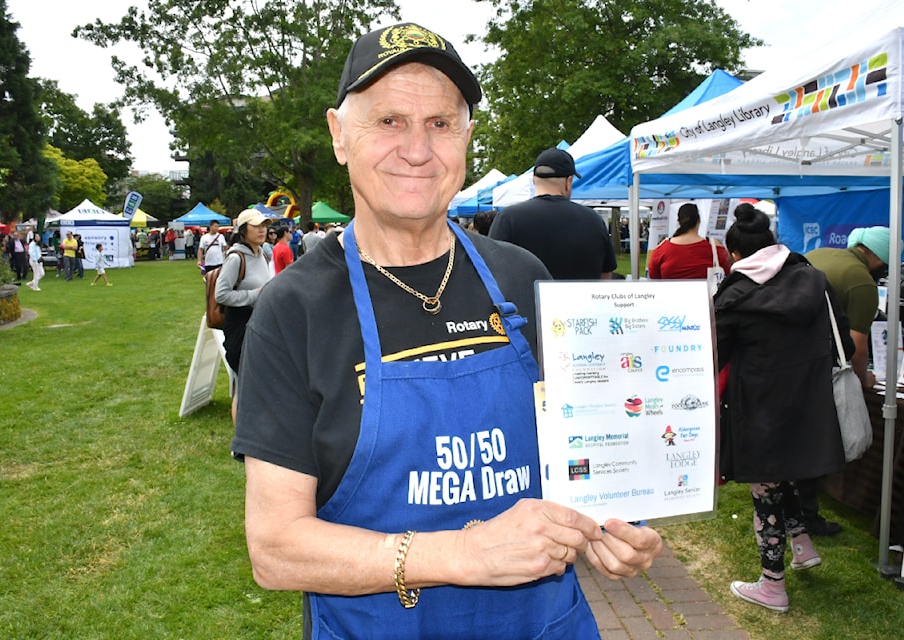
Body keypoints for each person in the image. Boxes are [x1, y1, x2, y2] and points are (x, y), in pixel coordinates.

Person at [230, 22, 662, 640]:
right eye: (389, 121)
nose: (417, 149)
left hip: (541, 625)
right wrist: (461, 554)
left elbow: (584, 447)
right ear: (339, 135)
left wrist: (617, 522)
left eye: (440, 123)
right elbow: (277, 549)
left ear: (466, 139)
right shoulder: (294, 309)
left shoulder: (521, 276)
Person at [715, 203, 848, 613]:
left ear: (736, 254)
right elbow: (843, 339)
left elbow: (714, 354)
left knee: (765, 493)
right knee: (783, 474)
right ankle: (802, 544)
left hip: (759, 407)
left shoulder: (734, 295)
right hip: (808, 401)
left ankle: (772, 586)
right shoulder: (814, 279)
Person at [804, 224, 891, 537]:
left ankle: (792, 507)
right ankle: (807, 516)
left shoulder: (819, 254)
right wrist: (864, 378)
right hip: (820, 368)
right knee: (815, 442)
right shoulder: (862, 283)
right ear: (879, 256)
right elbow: (857, 346)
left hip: (789, 360)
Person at [489, 147, 617, 279]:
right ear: (568, 182)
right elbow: (605, 276)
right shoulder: (594, 220)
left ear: (534, 180)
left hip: (525, 293)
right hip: (580, 293)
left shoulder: (508, 218)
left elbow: (490, 270)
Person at [214, 208, 272, 377]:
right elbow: (221, 294)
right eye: (256, 226)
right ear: (244, 230)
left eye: (264, 226)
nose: (262, 230)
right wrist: (256, 294)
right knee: (250, 378)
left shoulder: (263, 255)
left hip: (261, 323)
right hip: (240, 328)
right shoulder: (236, 258)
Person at [647, 203, 731, 280]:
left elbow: (654, 277)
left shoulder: (662, 249)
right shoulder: (714, 247)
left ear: (679, 222)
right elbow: (729, 272)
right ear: (699, 220)